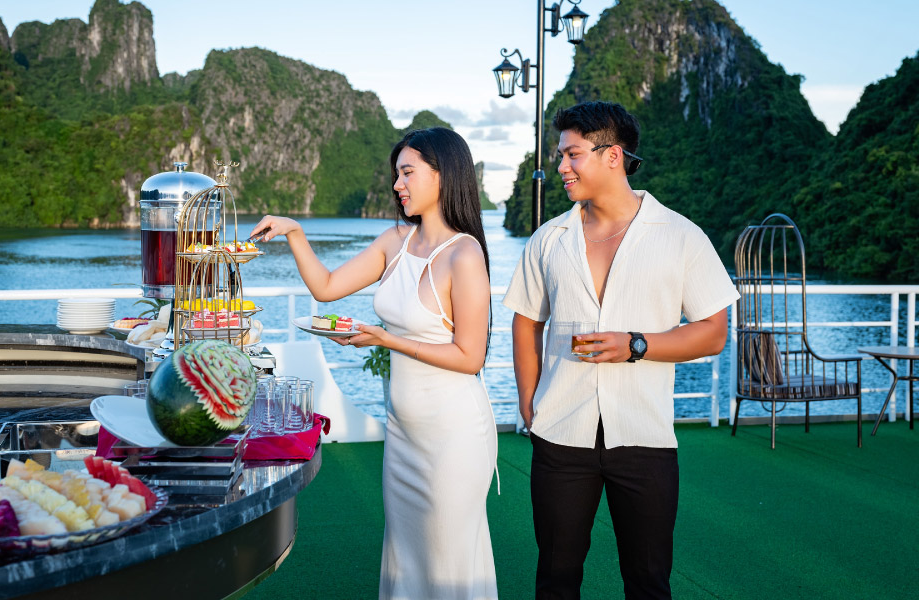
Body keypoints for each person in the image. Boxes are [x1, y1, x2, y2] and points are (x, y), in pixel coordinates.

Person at [250, 127, 498, 599]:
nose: (397, 184)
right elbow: (325, 288)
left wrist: (387, 340)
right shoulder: (395, 241)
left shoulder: (464, 254)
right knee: (406, 556)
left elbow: (471, 357)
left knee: (448, 560)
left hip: (455, 435)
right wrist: (295, 232)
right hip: (404, 430)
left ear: (444, 176)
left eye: (408, 173)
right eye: (396, 174)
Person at [503, 101, 739, 599]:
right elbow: (525, 322)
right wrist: (529, 403)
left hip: (645, 438)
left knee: (648, 582)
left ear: (613, 155)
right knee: (556, 579)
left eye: (572, 155)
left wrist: (637, 344)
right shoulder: (548, 240)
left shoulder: (680, 236)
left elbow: (713, 331)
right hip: (560, 434)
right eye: (560, 155)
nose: (561, 167)